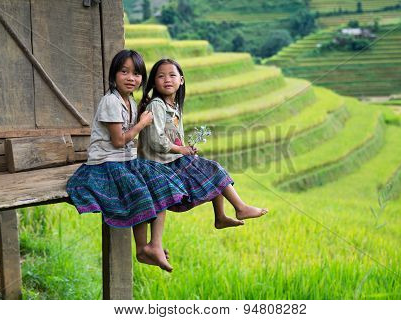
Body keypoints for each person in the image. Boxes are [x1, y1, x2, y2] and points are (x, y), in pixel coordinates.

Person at [67, 50, 188, 272]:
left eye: (137, 73)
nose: (131, 78)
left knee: (162, 184)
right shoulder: (110, 101)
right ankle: (142, 249)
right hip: (106, 162)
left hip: (126, 160)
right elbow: (119, 140)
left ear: (143, 78)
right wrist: (142, 124)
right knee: (138, 191)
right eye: (124, 72)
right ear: (114, 75)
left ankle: (155, 245)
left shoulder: (131, 101)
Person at [137, 58, 268, 228]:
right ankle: (239, 208)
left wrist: (186, 149)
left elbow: (174, 136)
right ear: (154, 81)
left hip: (171, 159)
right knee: (212, 170)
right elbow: (156, 139)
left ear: (181, 80)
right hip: (159, 164)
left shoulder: (174, 106)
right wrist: (180, 149)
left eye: (172, 75)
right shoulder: (157, 105)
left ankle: (221, 216)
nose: (167, 79)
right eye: (161, 76)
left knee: (210, 170)